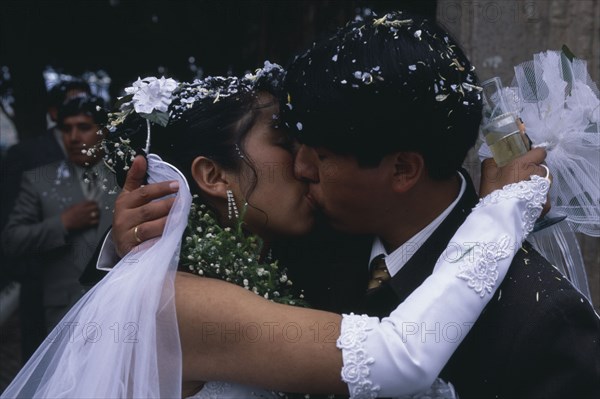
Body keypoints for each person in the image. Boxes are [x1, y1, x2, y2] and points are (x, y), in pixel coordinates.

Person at [111, 11, 596, 398]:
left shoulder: (544, 319)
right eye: (288, 143)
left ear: (403, 169)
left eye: (318, 154)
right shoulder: (303, 246)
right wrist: (125, 250)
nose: (300, 169)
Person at [1, 95, 119, 332]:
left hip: (121, 307)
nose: (74, 137)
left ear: (104, 131)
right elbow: (11, 240)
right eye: (66, 129)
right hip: (64, 312)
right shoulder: (39, 179)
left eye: (84, 128)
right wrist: (63, 223)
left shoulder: (126, 176)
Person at [0, 79, 92, 361]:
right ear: (54, 113)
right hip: (40, 281)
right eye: (71, 101)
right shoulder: (26, 156)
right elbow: (10, 225)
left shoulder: (105, 158)